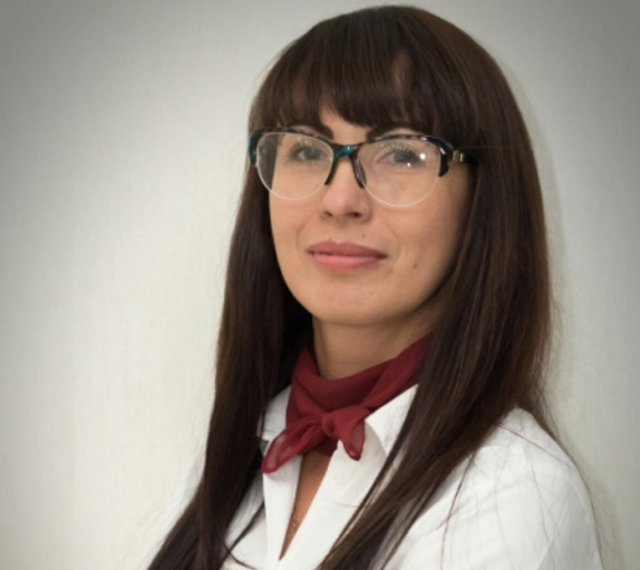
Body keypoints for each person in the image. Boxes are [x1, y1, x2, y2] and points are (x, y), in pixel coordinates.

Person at [148, 6, 603, 570]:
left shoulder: (512, 495)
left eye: (402, 154)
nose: (340, 199)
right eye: (306, 149)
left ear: (483, 201)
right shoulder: (235, 452)